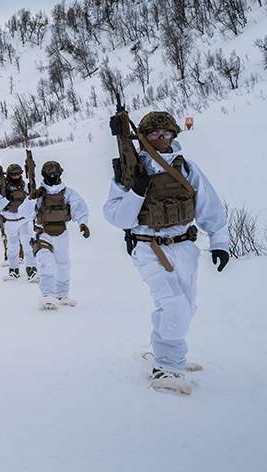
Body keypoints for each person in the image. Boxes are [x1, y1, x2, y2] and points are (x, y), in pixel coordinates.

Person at [103, 111, 229, 395]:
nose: (160, 139)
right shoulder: (130, 171)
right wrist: (136, 191)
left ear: (173, 135)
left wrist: (219, 241)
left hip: (184, 246)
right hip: (148, 248)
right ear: (143, 137)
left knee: (187, 305)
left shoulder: (185, 167)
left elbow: (208, 204)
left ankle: (169, 355)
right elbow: (118, 218)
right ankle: (166, 366)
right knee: (174, 306)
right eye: (154, 135)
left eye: (165, 134)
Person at [26, 161, 90, 310]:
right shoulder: (39, 195)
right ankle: (48, 295)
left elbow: (79, 207)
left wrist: (83, 223)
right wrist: (32, 198)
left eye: (56, 174)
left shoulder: (67, 193)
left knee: (63, 265)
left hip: (62, 233)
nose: (53, 176)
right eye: (50, 174)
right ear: (44, 175)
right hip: (43, 233)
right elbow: (25, 213)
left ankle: (62, 295)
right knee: (46, 262)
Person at [0, 163, 37, 281]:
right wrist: (7, 198)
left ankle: (32, 270)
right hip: (10, 221)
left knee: (28, 246)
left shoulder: (24, 186)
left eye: (18, 174)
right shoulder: (2, 189)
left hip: (24, 221)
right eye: (14, 174)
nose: (16, 176)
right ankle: (13, 271)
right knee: (13, 247)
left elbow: (33, 200)